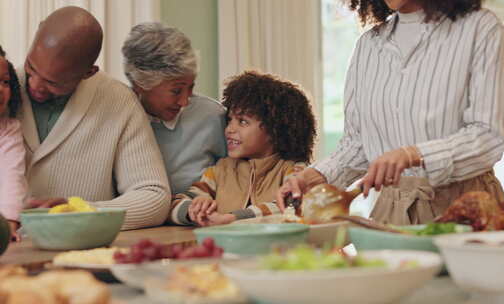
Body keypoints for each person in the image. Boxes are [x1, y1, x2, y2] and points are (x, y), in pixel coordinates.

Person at [278, 0, 504, 225]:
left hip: (468, 208)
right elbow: (359, 144)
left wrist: (415, 154)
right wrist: (316, 176)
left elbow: (489, 136)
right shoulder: (368, 46)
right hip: (391, 213)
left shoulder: (481, 28)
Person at [18, 7, 170, 229]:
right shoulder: (4, 86)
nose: (34, 86)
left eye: (54, 83)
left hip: (83, 252)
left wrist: (81, 213)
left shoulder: (119, 102)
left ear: (89, 72)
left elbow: (154, 197)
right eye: (31, 67)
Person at [170, 71, 317, 226]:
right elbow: (174, 204)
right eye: (230, 120)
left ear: (275, 130)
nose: (229, 129)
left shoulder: (294, 171)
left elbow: (287, 206)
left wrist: (232, 219)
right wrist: (194, 209)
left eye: (243, 121)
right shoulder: (219, 171)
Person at [122, 22, 227, 195]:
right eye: (176, 91)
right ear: (140, 84)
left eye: (191, 88)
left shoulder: (212, 116)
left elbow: (242, 176)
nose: (185, 101)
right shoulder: (118, 119)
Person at [0, 45, 26, 241]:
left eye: (5, 82)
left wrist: (8, 225)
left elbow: (12, 177)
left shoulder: (9, 130)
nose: (0, 89)